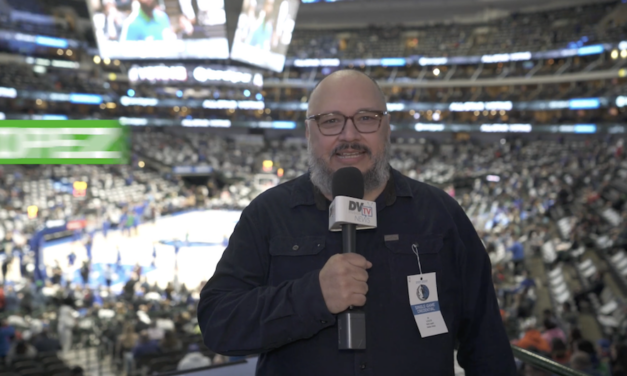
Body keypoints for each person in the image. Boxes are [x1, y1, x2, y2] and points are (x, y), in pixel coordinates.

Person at [197, 70, 517, 375]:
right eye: (331, 121)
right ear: (309, 133)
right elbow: (218, 323)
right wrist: (313, 296)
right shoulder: (267, 214)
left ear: (386, 127)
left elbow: (487, 347)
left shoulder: (441, 214)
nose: (349, 136)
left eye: (366, 118)